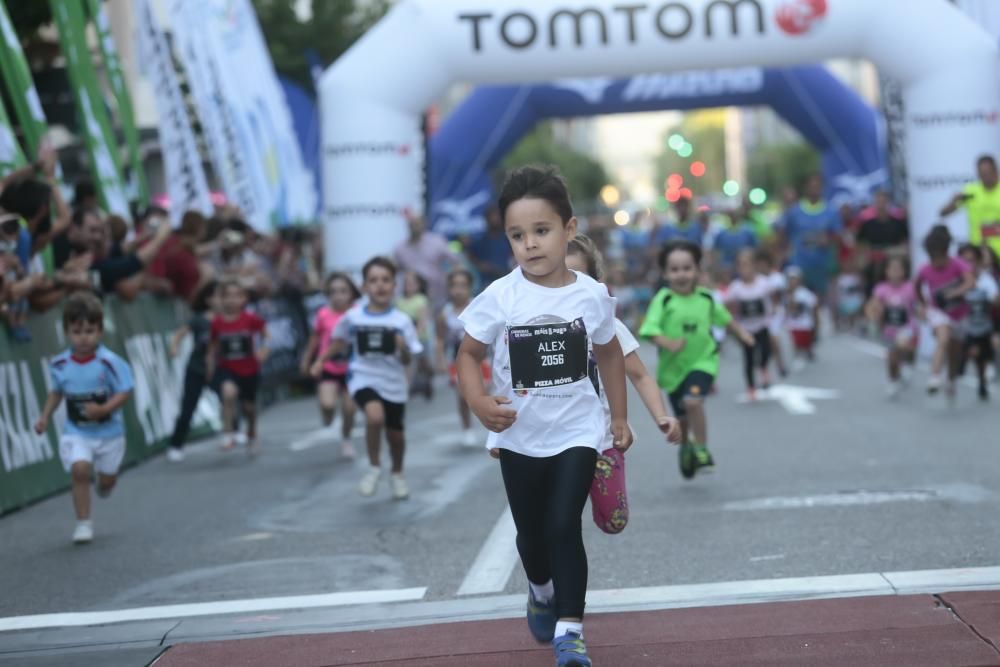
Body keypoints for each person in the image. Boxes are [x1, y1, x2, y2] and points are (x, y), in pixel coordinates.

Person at [455, 166, 631, 667]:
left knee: (562, 525)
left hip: (577, 430)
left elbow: (611, 352)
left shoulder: (590, 295)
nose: (530, 244)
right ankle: (539, 589)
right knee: (530, 536)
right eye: (517, 235)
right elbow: (467, 354)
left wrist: (616, 417)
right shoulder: (501, 296)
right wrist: (479, 402)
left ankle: (570, 633)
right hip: (519, 436)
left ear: (569, 229)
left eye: (541, 231)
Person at [566, 235, 681, 534]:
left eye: (577, 278)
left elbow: (640, 376)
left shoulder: (609, 327)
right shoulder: (535, 326)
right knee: (558, 521)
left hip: (603, 437)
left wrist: (661, 416)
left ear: (595, 285)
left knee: (614, 520)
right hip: (556, 438)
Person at [640, 240, 754, 480]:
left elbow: (725, 320)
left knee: (693, 402)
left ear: (697, 271)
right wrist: (668, 343)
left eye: (687, 268)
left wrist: (743, 334)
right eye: (674, 269)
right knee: (682, 419)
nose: (681, 274)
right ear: (665, 273)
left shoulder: (707, 298)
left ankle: (701, 449)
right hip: (672, 371)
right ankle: (685, 447)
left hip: (703, 362)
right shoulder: (664, 299)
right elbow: (648, 330)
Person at [314, 256, 423, 500]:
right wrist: (320, 360)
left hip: (393, 382)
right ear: (364, 287)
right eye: (373, 280)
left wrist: (402, 347)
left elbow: (408, 359)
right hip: (363, 377)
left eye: (386, 280)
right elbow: (340, 341)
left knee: (396, 435)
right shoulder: (353, 318)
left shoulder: (401, 321)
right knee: (374, 416)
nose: (380, 285)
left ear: (394, 286)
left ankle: (397, 473)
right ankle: (374, 467)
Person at [34, 292, 134, 544]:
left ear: (100, 331)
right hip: (77, 431)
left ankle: (105, 483)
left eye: (90, 330)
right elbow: (57, 392)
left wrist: (104, 409)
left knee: (107, 480)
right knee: (79, 470)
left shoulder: (109, 362)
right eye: (77, 331)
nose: (83, 338)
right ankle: (83, 523)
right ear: (66, 332)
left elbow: (125, 390)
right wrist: (45, 416)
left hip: (109, 433)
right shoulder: (60, 364)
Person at [300, 272, 361, 458]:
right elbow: (314, 339)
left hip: (353, 369)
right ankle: (327, 417)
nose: (338, 296)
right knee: (327, 404)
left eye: (343, 291)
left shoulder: (358, 313)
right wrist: (307, 360)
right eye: (333, 292)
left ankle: (346, 438)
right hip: (328, 366)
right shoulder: (323, 314)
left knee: (350, 409)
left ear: (351, 293)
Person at [207, 279, 269, 455]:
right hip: (228, 368)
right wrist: (210, 366)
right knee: (228, 393)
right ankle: (228, 433)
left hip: (249, 369)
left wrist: (264, 351)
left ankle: (252, 431)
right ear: (221, 299)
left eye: (236, 296)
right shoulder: (217, 323)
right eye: (227, 296)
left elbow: (267, 335)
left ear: (244, 299)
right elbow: (212, 346)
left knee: (249, 407)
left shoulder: (250, 319)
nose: (232, 300)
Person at [914, 226, 976, 398]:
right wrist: (923, 305)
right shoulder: (925, 269)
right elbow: (917, 287)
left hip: (960, 313)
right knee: (943, 338)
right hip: (938, 312)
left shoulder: (957, 264)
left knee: (955, 351)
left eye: (939, 257)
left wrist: (956, 292)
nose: (937, 262)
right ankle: (934, 376)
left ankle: (951, 378)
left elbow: (970, 281)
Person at [166, 281, 219, 462]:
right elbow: (179, 335)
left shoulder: (228, 319)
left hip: (219, 369)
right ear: (208, 299)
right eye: (218, 295)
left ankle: (233, 430)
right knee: (188, 407)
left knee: (230, 395)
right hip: (197, 368)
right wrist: (174, 347)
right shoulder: (199, 319)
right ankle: (176, 445)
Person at [436, 267, 486, 447]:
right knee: (462, 394)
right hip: (457, 360)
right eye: (455, 286)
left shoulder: (478, 307)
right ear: (449, 288)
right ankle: (467, 428)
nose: (459, 290)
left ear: (470, 287)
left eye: (463, 285)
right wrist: (440, 360)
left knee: (484, 391)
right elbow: (440, 339)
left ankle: (490, 422)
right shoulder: (445, 313)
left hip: (481, 358)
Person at [776, 174, 843, 306]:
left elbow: (839, 238)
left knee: (822, 304)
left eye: (817, 186)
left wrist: (828, 240)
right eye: (811, 186)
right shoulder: (794, 212)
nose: (814, 189)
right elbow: (782, 236)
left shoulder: (831, 211)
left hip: (822, 266)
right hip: (799, 265)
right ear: (806, 188)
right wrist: (783, 255)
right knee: (800, 302)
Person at [866, 257, 918, 398]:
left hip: (907, 326)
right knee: (891, 357)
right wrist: (874, 315)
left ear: (904, 271)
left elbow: (919, 305)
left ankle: (908, 363)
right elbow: (873, 305)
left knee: (904, 345)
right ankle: (893, 378)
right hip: (889, 329)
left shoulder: (910, 287)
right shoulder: (881, 288)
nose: (895, 272)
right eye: (892, 268)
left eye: (898, 268)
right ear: (886, 271)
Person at [726, 248, 775, 399]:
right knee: (748, 358)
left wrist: (771, 314)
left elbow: (771, 299)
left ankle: (763, 368)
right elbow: (729, 304)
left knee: (766, 350)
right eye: (741, 265)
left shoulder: (763, 283)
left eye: (748, 265)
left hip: (762, 324)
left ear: (754, 266)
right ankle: (751, 387)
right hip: (746, 328)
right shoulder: (736, 287)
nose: (745, 269)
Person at [393, 209, 458, 312]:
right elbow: (396, 272)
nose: (415, 226)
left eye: (417, 223)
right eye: (412, 224)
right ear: (408, 225)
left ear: (424, 224)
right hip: (412, 299)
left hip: (437, 294)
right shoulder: (400, 248)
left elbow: (455, 262)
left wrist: (452, 283)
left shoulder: (437, 241)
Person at [957, 244, 999, 400]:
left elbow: (995, 299)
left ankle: (982, 381)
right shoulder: (957, 279)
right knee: (969, 345)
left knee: (981, 357)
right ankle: (961, 361)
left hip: (983, 323)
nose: (968, 265)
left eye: (972, 260)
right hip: (964, 325)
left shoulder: (985, 280)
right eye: (964, 260)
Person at [940, 154, 1000, 261]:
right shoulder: (970, 192)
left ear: (996, 171)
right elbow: (943, 213)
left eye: (987, 173)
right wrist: (953, 201)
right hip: (979, 254)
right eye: (981, 174)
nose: (984, 177)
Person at [856, 191, 909, 294]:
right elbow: (860, 244)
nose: (881, 205)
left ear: (888, 203)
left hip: (893, 256)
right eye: (878, 202)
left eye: (883, 201)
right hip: (873, 260)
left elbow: (905, 245)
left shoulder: (897, 223)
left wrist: (888, 252)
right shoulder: (868, 224)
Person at [397, 270, 434, 399]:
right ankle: (407, 387)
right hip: (406, 340)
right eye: (406, 283)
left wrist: (415, 334)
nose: (409, 286)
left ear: (418, 285)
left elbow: (423, 320)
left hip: (421, 338)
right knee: (409, 364)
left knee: (425, 364)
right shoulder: (400, 301)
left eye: (412, 283)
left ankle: (428, 379)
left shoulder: (421, 300)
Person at [756, 249, 788, 378]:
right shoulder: (757, 279)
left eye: (762, 263)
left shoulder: (777, 278)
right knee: (761, 345)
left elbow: (778, 297)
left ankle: (780, 364)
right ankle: (764, 369)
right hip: (760, 314)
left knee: (773, 339)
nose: (760, 267)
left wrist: (773, 308)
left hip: (775, 313)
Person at [468, 205, 514, 287]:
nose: (494, 219)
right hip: (487, 282)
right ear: (486, 219)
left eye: (496, 216)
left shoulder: (509, 238)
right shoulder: (480, 240)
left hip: (508, 278)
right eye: (491, 216)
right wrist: (479, 264)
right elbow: (471, 254)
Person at [784, 266, 819, 370]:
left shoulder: (806, 293)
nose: (792, 281)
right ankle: (798, 357)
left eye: (794, 279)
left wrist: (815, 323)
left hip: (805, 324)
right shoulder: (787, 294)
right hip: (793, 324)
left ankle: (808, 351)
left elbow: (814, 307)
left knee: (806, 343)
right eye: (790, 279)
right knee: (796, 344)